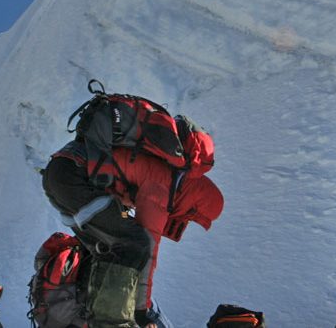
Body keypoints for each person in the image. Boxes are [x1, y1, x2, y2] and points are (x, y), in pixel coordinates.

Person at [43, 115, 223, 328]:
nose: (185, 220)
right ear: (193, 205)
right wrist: (141, 310)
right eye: (191, 216)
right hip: (74, 175)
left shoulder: (161, 173)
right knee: (135, 243)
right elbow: (148, 249)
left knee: (105, 250)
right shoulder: (162, 184)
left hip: (61, 171)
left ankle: (84, 317)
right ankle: (110, 322)